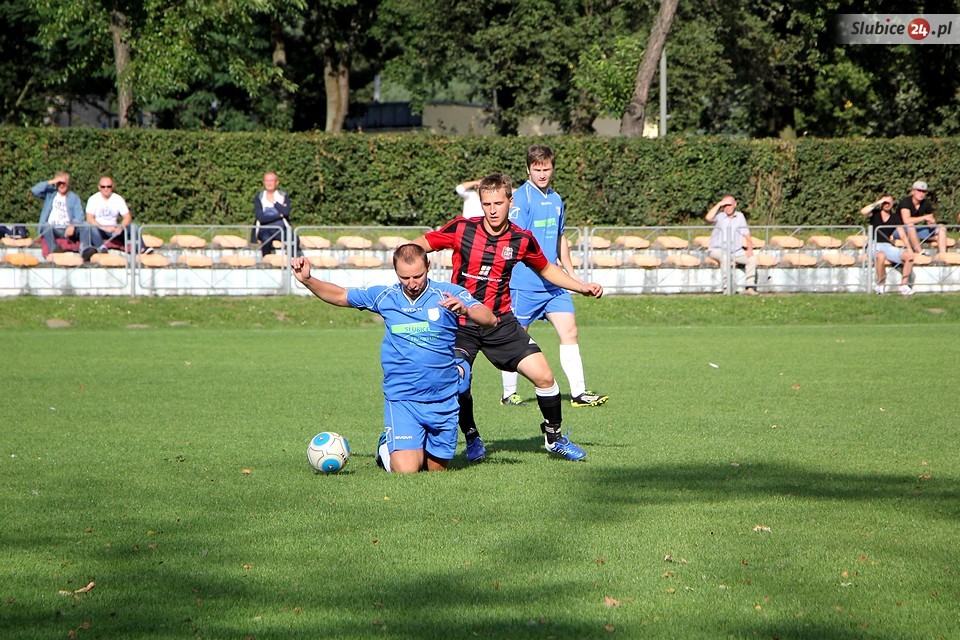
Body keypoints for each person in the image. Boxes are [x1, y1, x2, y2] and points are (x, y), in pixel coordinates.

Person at [412, 173, 604, 463]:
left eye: (498, 203)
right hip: (460, 325)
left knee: (544, 377)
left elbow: (546, 268)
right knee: (459, 381)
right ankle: (472, 437)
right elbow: (418, 246)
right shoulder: (462, 228)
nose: (492, 210)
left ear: (510, 202)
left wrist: (580, 286)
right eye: (486, 203)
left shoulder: (521, 238)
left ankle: (554, 438)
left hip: (500, 322)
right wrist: (409, 267)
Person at [292, 243, 497, 474]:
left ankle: (414, 444)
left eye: (418, 276)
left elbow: (490, 319)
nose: (412, 283)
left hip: (443, 397)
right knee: (407, 470)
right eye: (404, 277)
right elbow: (341, 296)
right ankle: (386, 445)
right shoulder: (385, 297)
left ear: (428, 266)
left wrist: (466, 310)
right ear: (396, 272)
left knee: (436, 470)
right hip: (403, 398)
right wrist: (308, 280)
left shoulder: (448, 293)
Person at [500, 145, 608, 408]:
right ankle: (509, 394)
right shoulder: (521, 199)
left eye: (546, 169)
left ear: (553, 169)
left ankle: (579, 394)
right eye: (537, 169)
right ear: (528, 169)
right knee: (515, 337)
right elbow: (515, 240)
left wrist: (573, 276)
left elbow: (560, 239)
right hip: (525, 284)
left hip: (554, 285)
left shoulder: (556, 199)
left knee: (570, 331)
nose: (542, 174)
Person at [30, 172, 95, 260]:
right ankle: (55, 252)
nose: (61, 185)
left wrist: (73, 225)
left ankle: (85, 251)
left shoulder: (74, 197)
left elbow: (79, 216)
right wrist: (53, 181)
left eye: (63, 183)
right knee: (45, 226)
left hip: (69, 229)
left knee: (85, 225)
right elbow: (34, 190)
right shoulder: (50, 194)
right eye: (59, 183)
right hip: (53, 228)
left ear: (68, 183)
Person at [861, 194, 915, 295]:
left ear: (892, 203)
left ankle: (904, 285)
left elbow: (902, 234)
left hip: (887, 246)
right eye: (884, 203)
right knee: (880, 255)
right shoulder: (875, 214)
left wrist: (909, 248)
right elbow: (863, 211)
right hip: (874, 245)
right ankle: (881, 285)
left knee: (909, 256)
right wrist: (879, 202)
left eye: (888, 202)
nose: (886, 204)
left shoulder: (895, 217)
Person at [705, 195, 759, 295]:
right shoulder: (719, 216)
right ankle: (727, 288)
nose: (727, 207)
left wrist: (749, 249)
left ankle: (750, 287)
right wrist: (719, 204)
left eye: (729, 205)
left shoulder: (740, 216)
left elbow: (747, 234)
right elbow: (708, 217)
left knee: (752, 259)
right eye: (725, 205)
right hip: (718, 249)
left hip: (736, 251)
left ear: (735, 204)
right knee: (725, 257)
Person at [85, 176, 149, 254]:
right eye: (103, 187)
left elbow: (127, 217)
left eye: (108, 186)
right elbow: (89, 218)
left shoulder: (118, 199)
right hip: (100, 230)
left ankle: (141, 248)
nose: (106, 189)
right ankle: (101, 247)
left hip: (115, 230)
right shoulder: (93, 199)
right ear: (99, 187)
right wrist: (104, 227)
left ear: (112, 187)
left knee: (133, 226)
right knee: (90, 227)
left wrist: (120, 227)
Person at [253, 172, 302, 258]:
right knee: (266, 240)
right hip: (265, 229)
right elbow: (261, 218)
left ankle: (290, 261)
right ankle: (266, 261)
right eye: (267, 181)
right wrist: (279, 215)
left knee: (294, 240)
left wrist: (274, 202)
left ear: (277, 182)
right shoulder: (259, 197)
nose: (269, 183)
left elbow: (286, 212)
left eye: (271, 181)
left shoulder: (283, 195)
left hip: (281, 229)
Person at [896, 181, 947, 259]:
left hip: (914, 231)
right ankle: (919, 252)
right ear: (913, 191)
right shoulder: (906, 202)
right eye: (919, 191)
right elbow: (906, 220)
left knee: (941, 227)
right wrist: (924, 217)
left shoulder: (926, 203)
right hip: (900, 231)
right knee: (910, 225)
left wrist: (931, 223)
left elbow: (930, 218)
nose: (921, 193)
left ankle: (942, 255)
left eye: (923, 191)